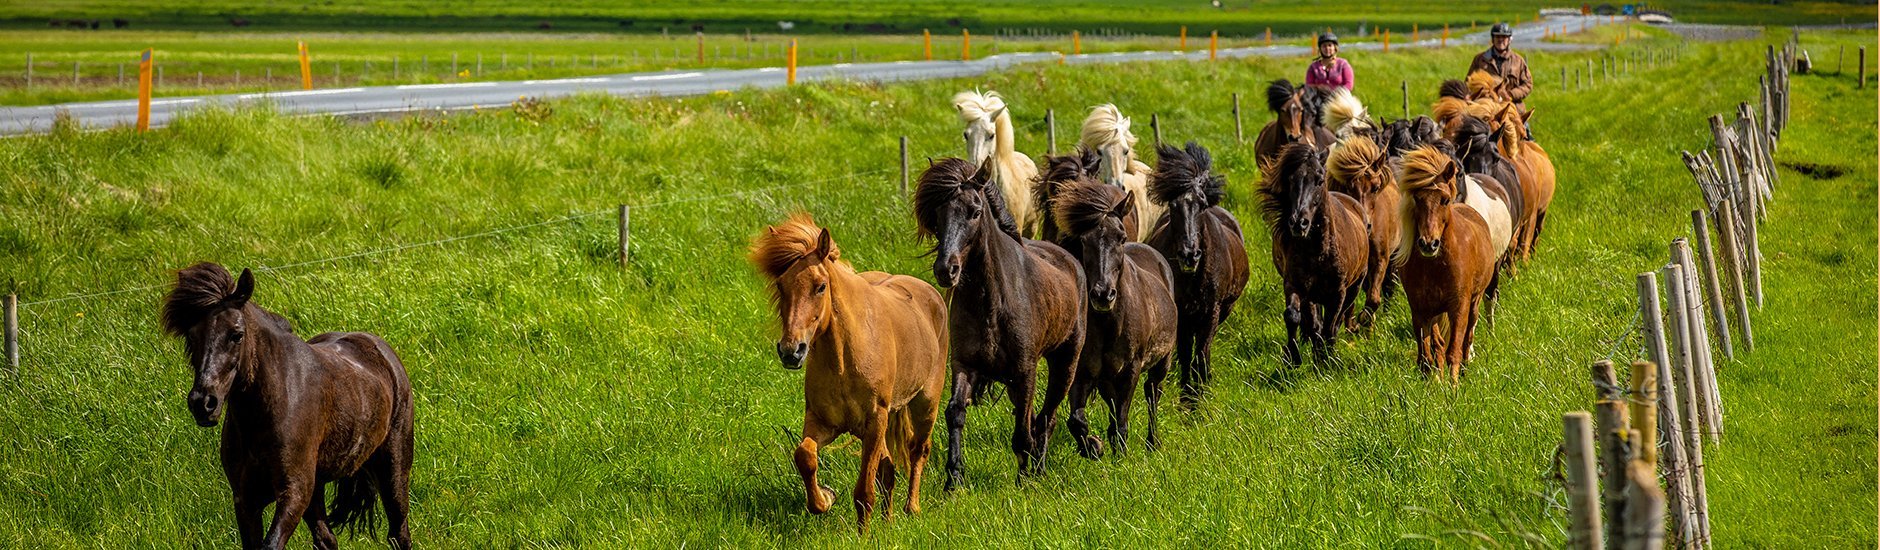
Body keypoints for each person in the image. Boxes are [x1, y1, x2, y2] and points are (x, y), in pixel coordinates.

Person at [1468, 22, 1533, 137]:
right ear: (1493, 39)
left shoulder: (1518, 61)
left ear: (1509, 40)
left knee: (1526, 137)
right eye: (1498, 36)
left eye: (1504, 37)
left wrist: (1511, 94)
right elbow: (1469, 83)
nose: (1501, 40)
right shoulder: (1480, 59)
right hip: (1486, 111)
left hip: (1512, 110)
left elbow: (1528, 84)